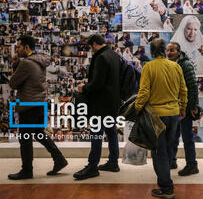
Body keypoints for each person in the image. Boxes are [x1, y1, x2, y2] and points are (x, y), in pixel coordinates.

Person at [8, 35, 68, 180]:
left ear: (26, 47)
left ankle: (27, 170)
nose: (18, 49)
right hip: (39, 103)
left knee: (25, 138)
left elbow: (12, 83)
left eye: (19, 46)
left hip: (29, 104)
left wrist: (15, 64)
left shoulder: (26, 63)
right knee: (38, 133)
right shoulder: (40, 60)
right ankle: (59, 159)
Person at [135, 39, 188, 199]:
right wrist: (183, 107)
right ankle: (167, 180)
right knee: (170, 148)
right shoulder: (176, 66)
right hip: (173, 114)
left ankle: (166, 188)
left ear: (151, 52)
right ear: (165, 50)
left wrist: (137, 109)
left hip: (156, 116)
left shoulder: (148, 67)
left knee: (159, 152)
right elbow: (183, 90)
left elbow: (144, 93)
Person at [73, 34, 121, 180]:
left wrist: (83, 88)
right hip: (113, 101)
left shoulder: (101, 57)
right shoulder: (113, 54)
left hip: (101, 103)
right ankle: (113, 162)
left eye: (90, 47)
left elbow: (97, 83)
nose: (90, 50)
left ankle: (92, 166)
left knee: (96, 133)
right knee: (112, 131)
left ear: (94, 44)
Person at [167, 42, 200, 176]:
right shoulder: (172, 64)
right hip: (175, 106)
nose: (169, 53)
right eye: (168, 50)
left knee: (187, 137)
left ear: (179, 52)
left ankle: (192, 165)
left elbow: (192, 86)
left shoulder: (185, 65)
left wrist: (192, 107)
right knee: (174, 136)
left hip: (184, 107)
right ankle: (172, 160)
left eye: (172, 50)